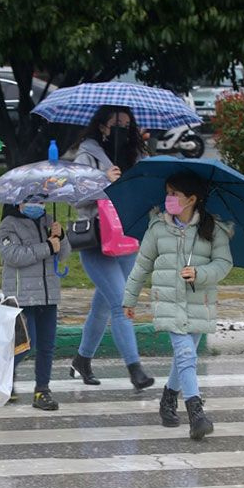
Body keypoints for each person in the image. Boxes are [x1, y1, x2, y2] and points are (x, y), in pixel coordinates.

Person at [123, 171, 233, 440]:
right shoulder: (157, 229)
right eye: (167, 192)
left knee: (185, 356)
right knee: (186, 355)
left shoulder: (212, 230)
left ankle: (168, 398)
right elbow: (141, 266)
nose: (168, 198)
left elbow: (224, 264)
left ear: (192, 199)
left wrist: (199, 273)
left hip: (199, 302)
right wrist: (129, 299)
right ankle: (197, 414)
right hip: (168, 302)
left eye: (175, 194)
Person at [68, 105, 154, 390]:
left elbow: (150, 193)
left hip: (129, 239)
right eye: (117, 122)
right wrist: (105, 181)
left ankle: (82, 359)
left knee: (103, 307)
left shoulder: (137, 155)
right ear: (103, 125)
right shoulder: (88, 154)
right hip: (98, 241)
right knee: (121, 303)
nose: (122, 128)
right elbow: (78, 200)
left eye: (127, 123)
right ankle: (135, 369)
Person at [0, 201, 69, 411]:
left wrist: (61, 237)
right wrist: (46, 247)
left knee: (47, 345)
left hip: (48, 294)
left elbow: (63, 254)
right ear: (18, 201)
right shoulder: (8, 225)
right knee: (26, 343)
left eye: (41, 199)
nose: (37, 204)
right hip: (23, 296)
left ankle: (42, 390)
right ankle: (5, 375)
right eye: (31, 199)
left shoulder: (48, 221)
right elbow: (13, 256)